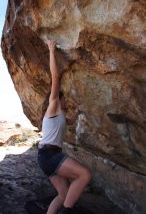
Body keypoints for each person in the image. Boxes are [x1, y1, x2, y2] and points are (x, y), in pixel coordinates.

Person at [38, 40, 92, 214]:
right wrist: (51, 50)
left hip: (47, 156)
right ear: (57, 99)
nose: (65, 100)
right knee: (84, 175)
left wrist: (78, 114)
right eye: (64, 98)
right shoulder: (53, 106)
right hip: (49, 155)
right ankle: (67, 212)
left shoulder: (59, 115)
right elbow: (55, 77)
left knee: (63, 195)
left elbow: (68, 122)